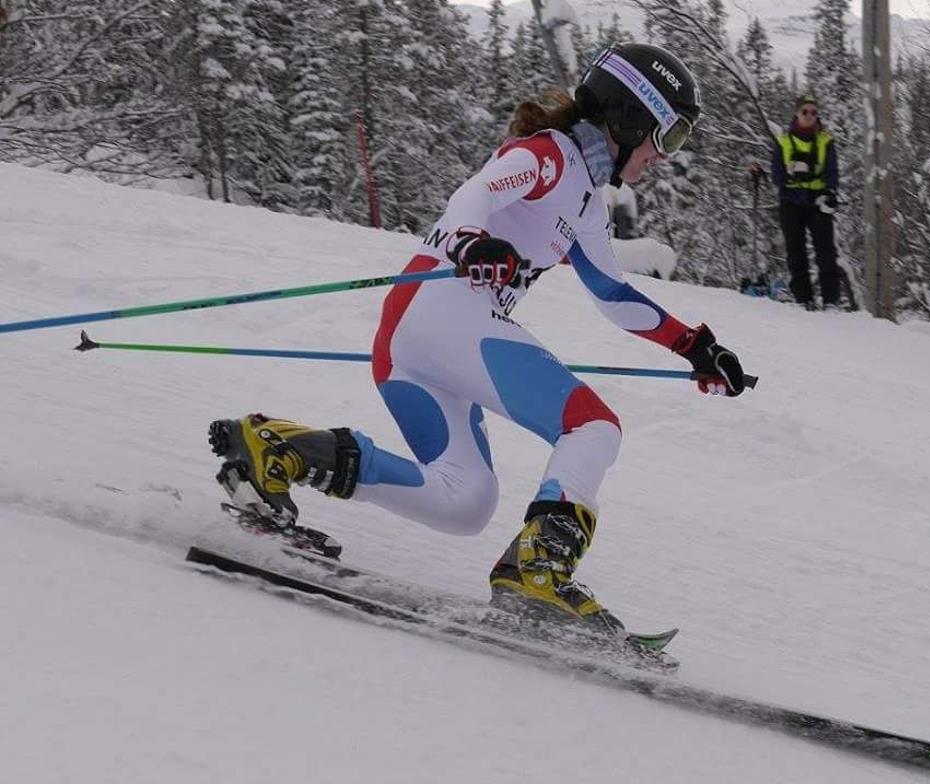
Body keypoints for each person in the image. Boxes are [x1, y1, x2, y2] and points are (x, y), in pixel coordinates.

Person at [207, 43, 747, 637]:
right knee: (593, 426)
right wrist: (469, 241)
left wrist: (694, 347)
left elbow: (613, 295)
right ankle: (539, 571)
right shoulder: (549, 157)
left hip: (415, 341)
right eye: (665, 137)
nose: (664, 155)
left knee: (464, 502)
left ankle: (276, 450)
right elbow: (480, 191)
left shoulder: (588, 203)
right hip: (442, 310)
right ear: (629, 117)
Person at [770, 95, 841, 310]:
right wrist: (794, 174)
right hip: (791, 202)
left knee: (826, 251)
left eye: (813, 112)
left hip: (818, 202)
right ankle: (803, 299)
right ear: (797, 114)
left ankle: (831, 301)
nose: (809, 116)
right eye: (805, 112)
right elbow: (776, 174)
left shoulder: (825, 141)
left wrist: (829, 192)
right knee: (795, 250)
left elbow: (832, 171)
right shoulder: (784, 141)